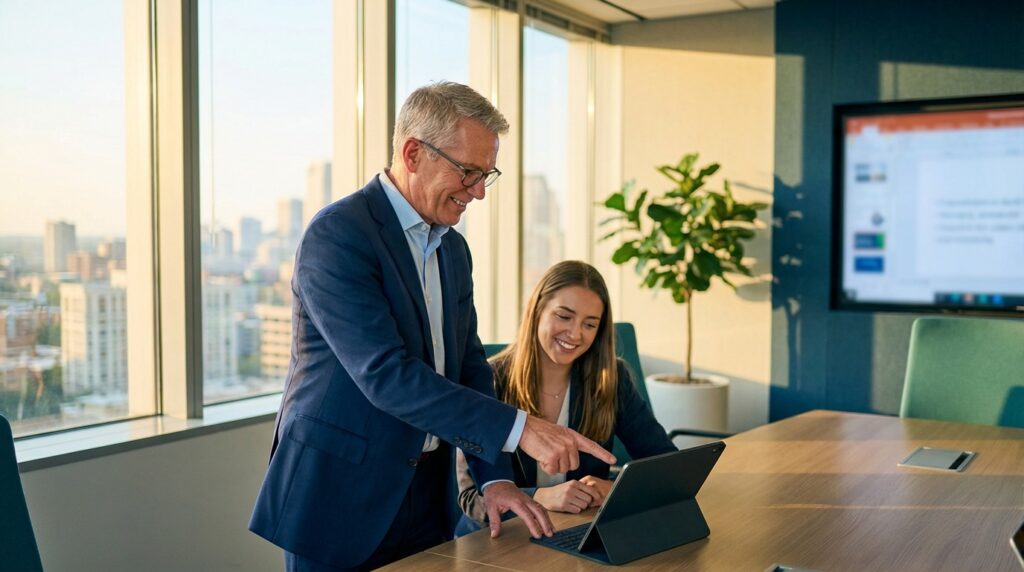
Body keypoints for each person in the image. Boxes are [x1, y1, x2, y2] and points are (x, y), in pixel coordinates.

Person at [248, 82, 615, 571]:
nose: (479, 192)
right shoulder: (338, 235)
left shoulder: (453, 249)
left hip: (426, 494)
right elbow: (386, 375)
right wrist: (522, 428)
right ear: (413, 153)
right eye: (468, 172)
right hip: (340, 494)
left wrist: (494, 479)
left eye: (488, 175)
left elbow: (467, 367)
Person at [455, 260, 676, 534]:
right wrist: (540, 497)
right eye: (564, 316)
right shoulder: (488, 380)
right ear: (537, 310)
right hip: (497, 542)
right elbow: (470, 498)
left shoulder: (611, 379)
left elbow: (666, 464)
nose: (575, 333)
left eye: (590, 324)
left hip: (574, 534)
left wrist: (614, 488)